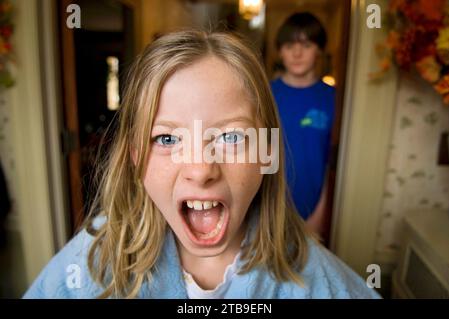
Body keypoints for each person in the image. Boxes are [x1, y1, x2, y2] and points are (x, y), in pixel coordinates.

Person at [24, 30, 378, 299]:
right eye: (166, 139)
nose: (201, 169)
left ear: (267, 153)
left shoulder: (316, 278)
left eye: (230, 137)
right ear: (135, 158)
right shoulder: (92, 261)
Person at [271, 13, 335, 239]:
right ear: (280, 50)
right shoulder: (265, 94)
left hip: (313, 210)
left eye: (306, 45)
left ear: (319, 50)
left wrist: (321, 214)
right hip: (266, 209)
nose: (297, 53)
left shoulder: (333, 98)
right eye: (289, 45)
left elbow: (332, 166)